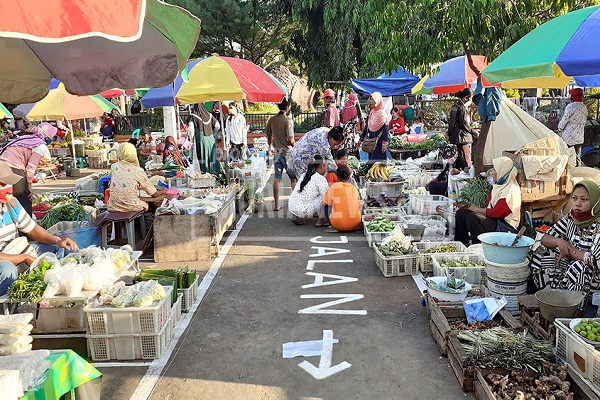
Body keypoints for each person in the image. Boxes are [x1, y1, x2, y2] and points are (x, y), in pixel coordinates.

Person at [0, 162, 78, 295]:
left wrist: (58, 241)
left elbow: (32, 229)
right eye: (3, 184)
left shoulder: (11, 203)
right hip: (4, 260)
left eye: (9, 183)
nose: (8, 188)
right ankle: (9, 311)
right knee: (7, 270)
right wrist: (24, 258)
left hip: (14, 250)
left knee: (57, 250)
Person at [537, 181, 600, 301]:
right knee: (543, 252)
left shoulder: (598, 225)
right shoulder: (571, 219)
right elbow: (545, 238)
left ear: (595, 202)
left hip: (594, 278)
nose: (578, 204)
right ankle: (551, 297)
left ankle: (576, 311)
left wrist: (571, 252)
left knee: (578, 267)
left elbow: (595, 261)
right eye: (574, 198)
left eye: (584, 199)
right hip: (571, 269)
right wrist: (560, 242)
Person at [454, 156, 521, 245]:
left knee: (473, 218)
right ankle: (462, 244)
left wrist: (477, 210)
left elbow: (496, 213)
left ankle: (479, 247)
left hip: (504, 226)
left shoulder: (511, 190)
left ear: (502, 173)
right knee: (461, 214)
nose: (493, 173)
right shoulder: (499, 186)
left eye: (495, 171)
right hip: (495, 221)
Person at [0, 123, 54, 216]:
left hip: (2, 166)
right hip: (14, 167)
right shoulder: (40, 145)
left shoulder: (27, 138)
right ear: (46, 135)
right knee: (24, 200)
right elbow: (30, 168)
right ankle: (26, 228)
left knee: (6, 197)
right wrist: (29, 188)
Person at [108, 143, 164, 213]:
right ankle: (140, 223)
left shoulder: (114, 166)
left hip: (113, 205)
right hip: (131, 206)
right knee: (146, 205)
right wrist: (164, 191)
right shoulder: (137, 170)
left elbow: (124, 182)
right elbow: (154, 194)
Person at [266, 98, 296, 211]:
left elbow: (269, 135)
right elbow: (291, 139)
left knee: (277, 179)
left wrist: (270, 146)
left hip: (277, 152)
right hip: (287, 153)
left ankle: (277, 205)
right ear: (287, 107)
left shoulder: (272, 120)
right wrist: (295, 146)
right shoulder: (288, 121)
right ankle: (294, 204)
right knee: (293, 179)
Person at [288, 155, 329, 226]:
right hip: (303, 211)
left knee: (307, 194)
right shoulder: (320, 179)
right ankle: (320, 221)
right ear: (323, 165)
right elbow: (327, 196)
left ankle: (299, 218)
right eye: (326, 166)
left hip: (292, 207)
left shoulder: (304, 175)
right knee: (325, 196)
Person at [322, 166, 362, 233]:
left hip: (338, 224)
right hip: (355, 223)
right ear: (349, 177)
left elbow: (325, 203)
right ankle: (353, 223)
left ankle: (333, 225)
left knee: (324, 205)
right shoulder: (353, 188)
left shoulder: (334, 186)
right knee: (360, 203)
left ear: (337, 177)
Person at [448, 88, 478, 167]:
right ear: (466, 98)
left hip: (455, 138)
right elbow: (464, 124)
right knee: (465, 163)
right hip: (462, 138)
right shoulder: (462, 108)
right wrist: (473, 131)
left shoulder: (455, 106)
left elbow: (451, 122)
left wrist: (448, 133)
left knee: (458, 162)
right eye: (470, 99)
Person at [359, 92, 389, 168]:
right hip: (371, 142)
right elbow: (367, 126)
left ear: (378, 101)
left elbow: (386, 129)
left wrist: (385, 144)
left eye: (374, 100)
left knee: (379, 163)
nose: (371, 101)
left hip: (379, 143)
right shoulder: (372, 112)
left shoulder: (382, 114)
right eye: (371, 99)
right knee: (371, 161)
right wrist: (361, 139)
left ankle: (379, 177)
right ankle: (370, 176)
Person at [558, 88, 588, 164]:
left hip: (569, 137)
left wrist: (560, 127)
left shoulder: (570, 106)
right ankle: (579, 173)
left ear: (573, 96)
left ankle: (567, 174)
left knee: (566, 157)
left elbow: (565, 120)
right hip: (579, 137)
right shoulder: (584, 107)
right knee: (578, 158)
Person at [188, 103, 220, 174]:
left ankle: (205, 174)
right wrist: (213, 134)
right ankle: (216, 174)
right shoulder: (209, 115)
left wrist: (192, 140)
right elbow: (217, 125)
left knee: (203, 157)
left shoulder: (193, 116)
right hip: (211, 139)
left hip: (201, 140)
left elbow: (191, 130)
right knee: (212, 157)